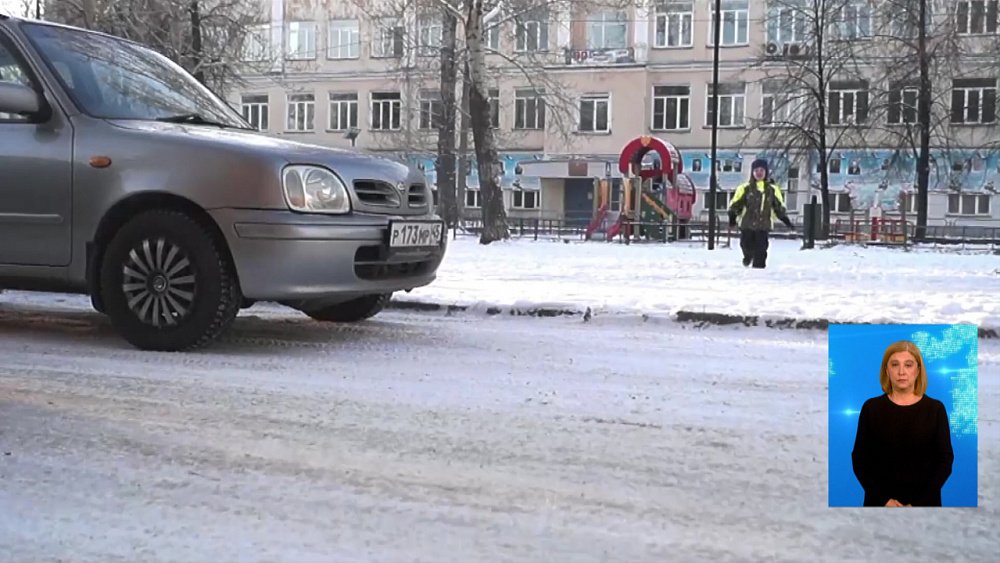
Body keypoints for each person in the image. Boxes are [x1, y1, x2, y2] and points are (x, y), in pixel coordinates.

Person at [851, 340, 954, 507]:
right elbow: (859, 459)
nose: (901, 372)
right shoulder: (871, 408)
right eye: (895, 365)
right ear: (886, 370)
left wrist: (917, 504)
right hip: (879, 504)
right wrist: (884, 500)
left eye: (908, 365)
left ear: (918, 370)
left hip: (925, 504)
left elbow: (945, 461)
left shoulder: (935, 409)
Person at [727, 159, 794, 268]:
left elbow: (778, 207)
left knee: (761, 249)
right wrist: (732, 219)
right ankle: (748, 256)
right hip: (747, 225)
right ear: (752, 172)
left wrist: (786, 221)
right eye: (756, 170)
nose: (759, 173)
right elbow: (735, 205)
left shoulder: (772, 190)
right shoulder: (745, 188)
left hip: (763, 226)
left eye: (761, 170)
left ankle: (759, 270)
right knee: (746, 245)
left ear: (766, 172)